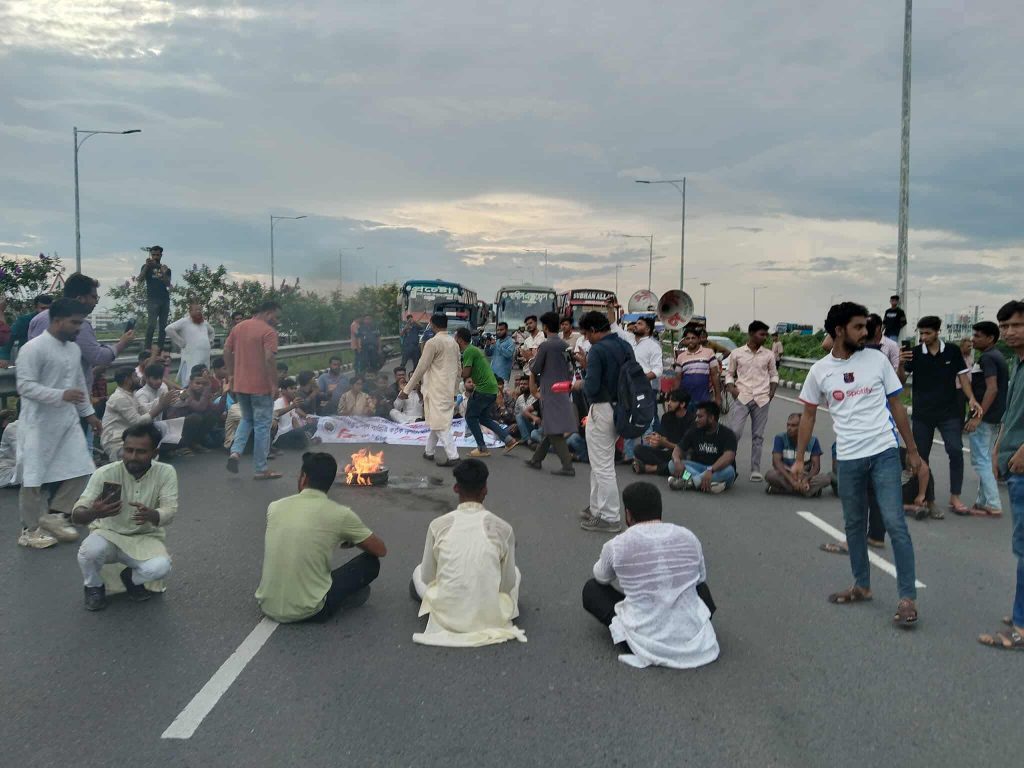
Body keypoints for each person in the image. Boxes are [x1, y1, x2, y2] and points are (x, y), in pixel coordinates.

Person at [795, 301, 920, 627]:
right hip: (848, 457)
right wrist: (799, 459)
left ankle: (907, 597)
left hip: (883, 452)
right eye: (859, 327)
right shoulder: (820, 370)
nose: (867, 332)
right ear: (839, 330)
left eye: (867, 327)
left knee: (895, 523)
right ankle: (862, 585)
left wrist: (913, 451)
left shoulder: (877, 360)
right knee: (853, 526)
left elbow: (898, 406)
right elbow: (808, 415)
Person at [582, 481, 718, 669]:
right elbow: (701, 580)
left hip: (645, 639)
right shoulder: (688, 536)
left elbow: (601, 577)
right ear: (659, 510)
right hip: (693, 634)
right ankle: (684, 627)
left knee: (591, 589)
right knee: (699, 587)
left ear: (628, 514)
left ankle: (636, 630)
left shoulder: (617, 545)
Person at [255, 452, 387, 623]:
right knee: (370, 562)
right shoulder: (340, 514)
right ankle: (338, 599)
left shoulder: (275, 507)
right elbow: (380, 550)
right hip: (312, 611)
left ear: (303, 478)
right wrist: (354, 540)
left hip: (267, 606)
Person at [15, 298, 102, 549]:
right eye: (75, 323)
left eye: (81, 323)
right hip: (38, 424)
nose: (78, 328)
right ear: (57, 321)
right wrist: (59, 395)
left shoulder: (73, 350)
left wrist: (90, 415)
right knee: (33, 478)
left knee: (83, 468)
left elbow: (79, 388)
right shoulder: (33, 349)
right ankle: (29, 531)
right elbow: (24, 386)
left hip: (67, 422)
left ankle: (53, 516)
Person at [411, 459, 526, 647]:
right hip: (490, 614)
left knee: (418, 571)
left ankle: (450, 606)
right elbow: (507, 583)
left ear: (456, 488)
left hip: (447, 614)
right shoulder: (503, 528)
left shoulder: (438, 525)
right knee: (516, 572)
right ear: (485, 490)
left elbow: (427, 576)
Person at [72, 424, 176, 611]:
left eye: (141, 452)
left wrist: (152, 514)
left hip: (144, 537)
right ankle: (94, 587)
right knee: (89, 552)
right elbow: (77, 515)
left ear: (155, 452)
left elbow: (170, 511)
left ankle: (130, 578)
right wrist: (95, 512)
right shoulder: (105, 473)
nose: (133, 457)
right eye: (128, 450)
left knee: (161, 567)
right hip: (108, 535)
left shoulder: (166, 472)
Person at [978, 300, 1024, 650]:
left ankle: (1021, 629)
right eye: (1005, 325)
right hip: (1012, 461)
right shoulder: (1017, 362)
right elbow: (1011, 413)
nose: (1009, 331)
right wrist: (997, 449)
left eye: (1016, 325)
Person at [901, 315, 978, 516]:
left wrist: (971, 399)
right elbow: (900, 381)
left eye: (928, 333)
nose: (924, 337)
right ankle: (927, 498)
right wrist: (901, 363)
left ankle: (955, 496)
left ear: (937, 332)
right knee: (921, 457)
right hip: (922, 414)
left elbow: (963, 377)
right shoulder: (915, 353)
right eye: (921, 333)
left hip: (950, 412)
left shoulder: (952, 351)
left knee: (955, 450)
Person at [575, 309, 635, 533]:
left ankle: (610, 517)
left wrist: (580, 380)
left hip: (602, 408)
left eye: (586, 334)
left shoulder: (598, 350)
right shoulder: (625, 346)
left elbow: (591, 387)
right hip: (622, 408)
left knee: (603, 466)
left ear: (593, 330)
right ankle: (595, 507)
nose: (586, 339)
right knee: (601, 463)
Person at [224, 300, 282, 480]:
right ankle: (261, 468)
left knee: (247, 419)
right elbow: (269, 359)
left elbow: (226, 350)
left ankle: (235, 452)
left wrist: (231, 375)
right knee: (262, 425)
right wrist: (274, 384)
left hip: (241, 385)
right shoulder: (268, 332)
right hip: (261, 387)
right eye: (276, 316)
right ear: (268, 312)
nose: (277, 321)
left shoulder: (239, 327)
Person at [400, 313, 461, 467]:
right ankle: (429, 452)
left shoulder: (432, 343)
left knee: (440, 423)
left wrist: (406, 389)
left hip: (435, 389)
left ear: (432, 325)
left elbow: (421, 367)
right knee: (437, 419)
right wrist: (455, 391)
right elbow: (458, 369)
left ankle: (453, 456)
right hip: (447, 389)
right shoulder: (453, 343)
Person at [965, 321, 1009, 517]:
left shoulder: (988, 358)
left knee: (980, 460)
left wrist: (977, 416)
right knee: (984, 457)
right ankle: (983, 501)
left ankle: (992, 502)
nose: (973, 340)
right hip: (995, 415)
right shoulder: (996, 356)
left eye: (978, 336)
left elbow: (992, 388)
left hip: (986, 416)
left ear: (990, 338)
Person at [524, 312, 577, 475]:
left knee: (554, 429)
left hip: (549, 391)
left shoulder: (546, 346)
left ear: (545, 327)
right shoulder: (564, 345)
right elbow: (571, 368)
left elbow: (536, 368)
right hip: (563, 389)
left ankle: (568, 466)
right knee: (551, 426)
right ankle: (536, 460)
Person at [724, 320, 778, 482]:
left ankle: (755, 469)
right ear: (751, 334)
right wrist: (732, 389)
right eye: (762, 334)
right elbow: (729, 373)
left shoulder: (768, 354)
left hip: (762, 399)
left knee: (758, 436)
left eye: (766, 334)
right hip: (742, 397)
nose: (765, 337)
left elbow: (774, 374)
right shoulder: (737, 353)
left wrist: (771, 393)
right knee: (735, 433)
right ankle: (729, 464)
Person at [455, 327, 518, 457]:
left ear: (460, 340)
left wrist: (453, 370)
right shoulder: (474, 350)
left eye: (455, 338)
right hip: (491, 389)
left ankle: (482, 448)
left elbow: (466, 373)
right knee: (483, 418)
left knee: (470, 417)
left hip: (483, 389)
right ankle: (508, 440)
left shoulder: (469, 351)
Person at [102, 369, 174, 459]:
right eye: (135, 376)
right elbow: (138, 422)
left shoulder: (130, 395)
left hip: (131, 438)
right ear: (127, 380)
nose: (138, 378)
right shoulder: (119, 398)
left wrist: (162, 401)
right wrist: (160, 406)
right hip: (117, 442)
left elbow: (145, 411)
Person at [668, 401, 737, 493]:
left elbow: (729, 457)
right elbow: (678, 449)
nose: (696, 419)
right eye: (696, 416)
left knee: (729, 471)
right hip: (697, 468)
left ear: (711, 418)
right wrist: (677, 461)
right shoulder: (694, 431)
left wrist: (710, 470)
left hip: (717, 470)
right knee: (672, 465)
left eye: (700, 417)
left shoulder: (727, 434)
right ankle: (705, 484)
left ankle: (689, 481)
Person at [765, 413, 830, 497]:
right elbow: (776, 463)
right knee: (770, 475)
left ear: (802, 427)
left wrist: (806, 480)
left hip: (804, 475)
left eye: (793, 426)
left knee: (826, 479)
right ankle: (807, 491)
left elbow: (816, 467)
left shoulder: (813, 441)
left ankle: (783, 490)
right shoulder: (780, 438)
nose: (789, 428)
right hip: (786, 474)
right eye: (788, 425)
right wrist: (792, 481)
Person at [632, 389, 694, 476]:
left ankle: (648, 468)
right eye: (668, 400)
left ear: (682, 404)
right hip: (668, 454)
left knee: (685, 461)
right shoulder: (666, 417)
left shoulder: (692, 420)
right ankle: (661, 467)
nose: (669, 403)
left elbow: (686, 448)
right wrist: (656, 440)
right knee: (638, 449)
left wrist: (664, 443)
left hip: (682, 455)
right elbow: (662, 439)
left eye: (673, 401)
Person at [166, 371, 220, 453]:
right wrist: (208, 387)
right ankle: (183, 446)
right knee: (196, 418)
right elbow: (200, 408)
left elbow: (216, 409)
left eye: (203, 384)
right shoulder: (184, 394)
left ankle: (195, 443)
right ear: (190, 383)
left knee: (212, 415)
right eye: (197, 383)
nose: (201, 386)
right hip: (174, 428)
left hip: (185, 426)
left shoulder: (200, 394)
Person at [165, 301, 215, 386]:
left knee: (205, 379)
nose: (198, 312)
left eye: (200, 310)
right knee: (189, 379)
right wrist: (181, 342)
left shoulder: (204, 323)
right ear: (190, 311)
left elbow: (212, 331)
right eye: (196, 310)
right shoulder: (184, 321)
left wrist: (210, 341)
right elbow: (168, 329)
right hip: (191, 356)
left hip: (205, 357)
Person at [674, 327, 721, 410]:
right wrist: (674, 397)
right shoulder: (681, 357)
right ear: (684, 341)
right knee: (688, 422)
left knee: (702, 421)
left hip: (704, 398)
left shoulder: (709, 353)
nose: (690, 341)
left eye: (693, 338)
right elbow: (678, 379)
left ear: (699, 339)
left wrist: (718, 396)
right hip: (686, 400)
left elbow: (714, 375)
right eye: (687, 338)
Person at [0, 293, 50, 366]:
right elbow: (9, 337)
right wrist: (4, 357)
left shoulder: (56, 321)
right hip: (27, 360)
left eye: (49, 308)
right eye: (43, 308)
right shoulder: (24, 320)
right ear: (35, 308)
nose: (46, 312)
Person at [139, 246, 172, 352]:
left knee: (163, 327)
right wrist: (146, 267)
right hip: (152, 299)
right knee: (151, 325)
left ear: (161, 255)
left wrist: (162, 271)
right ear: (151, 255)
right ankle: (147, 349)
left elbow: (167, 283)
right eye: (153, 254)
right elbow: (140, 279)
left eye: (158, 255)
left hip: (164, 300)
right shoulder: (146, 267)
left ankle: (160, 349)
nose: (155, 257)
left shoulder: (166, 268)